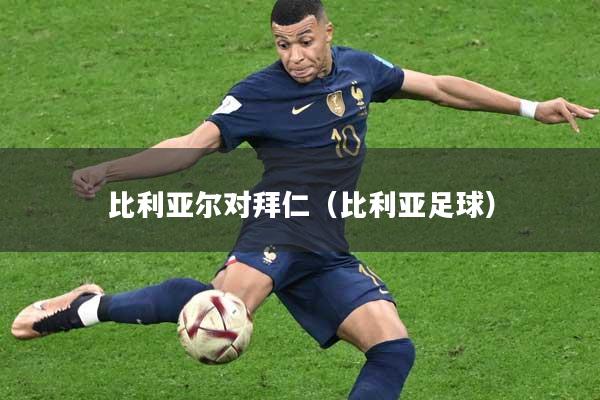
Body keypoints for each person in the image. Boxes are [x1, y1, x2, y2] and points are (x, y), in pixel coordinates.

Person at [11, 1, 597, 399]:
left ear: (328, 32)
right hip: (278, 227)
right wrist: (110, 169)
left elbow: (440, 87)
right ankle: (83, 309)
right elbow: (191, 146)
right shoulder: (258, 94)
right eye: (283, 44)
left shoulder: (361, 70)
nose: (294, 55)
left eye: (305, 41)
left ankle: (89, 302)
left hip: (327, 245)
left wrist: (531, 108)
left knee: (393, 350)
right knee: (220, 316)